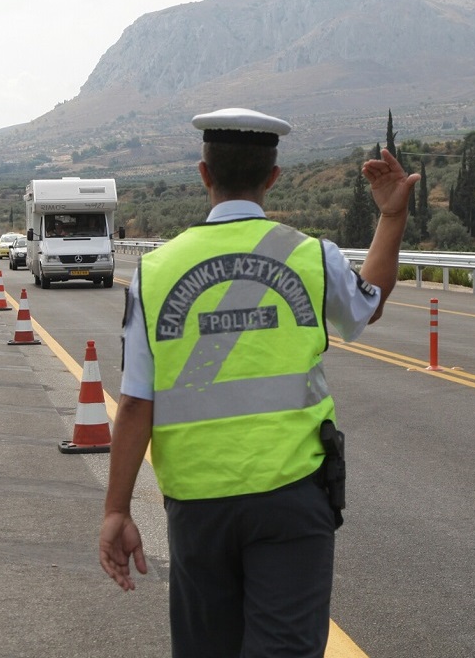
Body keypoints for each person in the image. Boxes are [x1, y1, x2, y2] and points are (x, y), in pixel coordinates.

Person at [98, 108, 419, 657]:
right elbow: (370, 305)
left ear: (204, 174)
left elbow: (134, 404)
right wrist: (390, 219)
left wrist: (116, 510)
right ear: (273, 176)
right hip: (292, 497)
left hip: (199, 507)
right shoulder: (311, 255)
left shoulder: (154, 272)